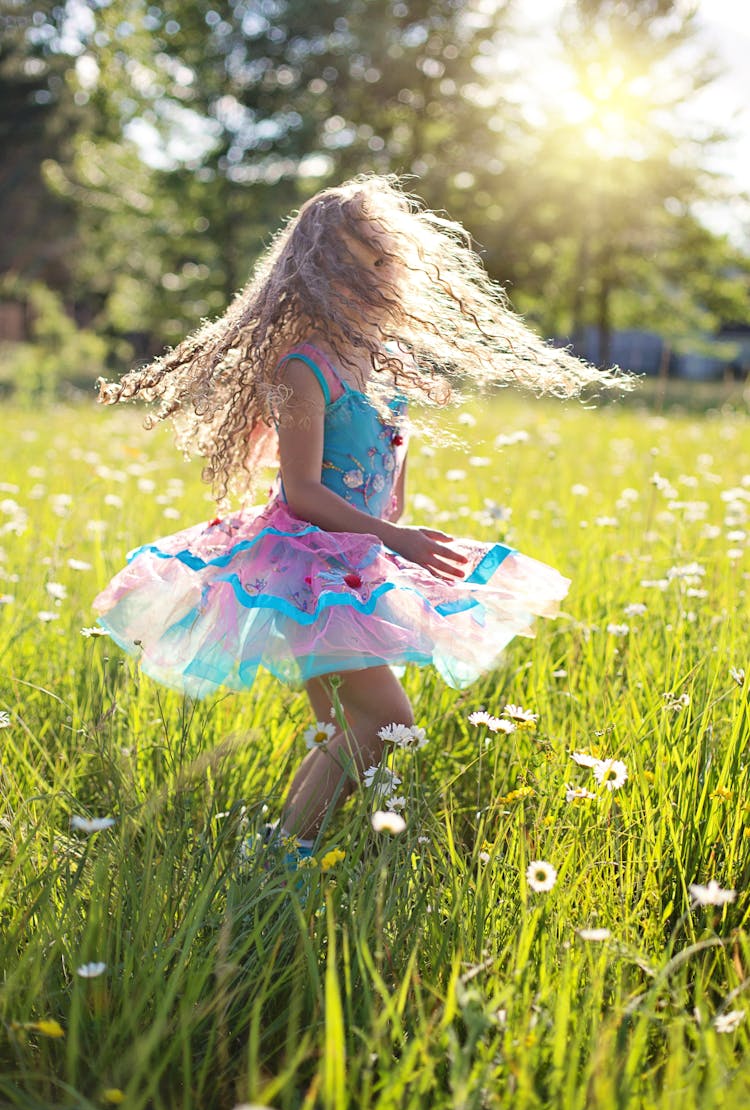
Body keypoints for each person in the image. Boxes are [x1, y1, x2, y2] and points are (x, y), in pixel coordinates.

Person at [93, 174, 627, 859]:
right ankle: (284, 849)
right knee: (387, 721)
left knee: (345, 727)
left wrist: (394, 517)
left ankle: (293, 850)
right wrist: (392, 533)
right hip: (309, 565)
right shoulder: (302, 368)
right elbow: (303, 491)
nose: (375, 276)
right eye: (355, 262)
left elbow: (383, 471)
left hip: (356, 561)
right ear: (316, 272)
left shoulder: (379, 363)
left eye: (383, 260)